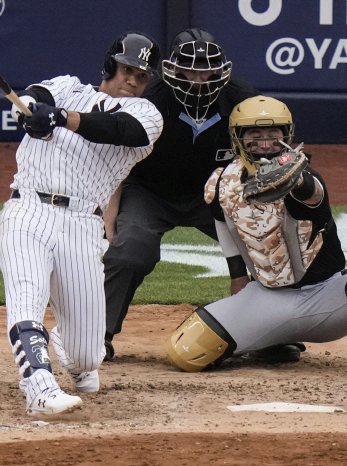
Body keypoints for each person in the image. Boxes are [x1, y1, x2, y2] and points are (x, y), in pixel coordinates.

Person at [163, 96, 347, 385]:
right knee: (185, 352)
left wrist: (294, 179)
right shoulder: (221, 183)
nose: (265, 142)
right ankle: (272, 342)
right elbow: (234, 254)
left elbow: (311, 194)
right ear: (238, 138)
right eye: (254, 134)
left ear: (287, 136)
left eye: (273, 133)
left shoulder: (305, 177)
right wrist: (242, 310)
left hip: (327, 298)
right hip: (267, 299)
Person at [0, 32, 163, 416]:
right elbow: (38, 96)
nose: (134, 80)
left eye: (142, 75)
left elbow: (117, 130)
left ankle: (71, 350)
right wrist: (33, 112)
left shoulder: (147, 116)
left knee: (89, 355)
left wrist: (61, 119)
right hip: (27, 210)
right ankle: (38, 385)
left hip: (82, 226)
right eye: (127, 69)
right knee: (26, 296)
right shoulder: (67, 87)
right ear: (108, 66)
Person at [101, 28, 263, 360]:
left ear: (221, 68)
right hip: (149, 192)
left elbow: (261, 159)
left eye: (207, 67)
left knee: (266, 247)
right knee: (130, 251)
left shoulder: (242, 99)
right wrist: (108, 210)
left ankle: (268, 334)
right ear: (172, 67)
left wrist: (259, 217)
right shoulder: (149, 97)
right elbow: (117, 155)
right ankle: (95, 335)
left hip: (215, 194)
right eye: (191, 67)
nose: (200, 76)